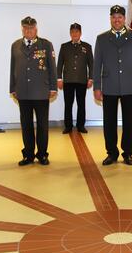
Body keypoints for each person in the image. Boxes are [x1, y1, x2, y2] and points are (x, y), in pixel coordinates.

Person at [93, 5, 132, 166]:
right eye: (114, 17)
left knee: (129, 121)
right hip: (109, 86)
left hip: (130, 85)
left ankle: (128, 153)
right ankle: (111, 152)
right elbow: (97, 64)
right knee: (109, 122)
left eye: (120, 17)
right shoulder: (101, 38)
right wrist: (97, 86)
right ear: (110, 18)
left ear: (124, 19)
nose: (117, 20)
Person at [10, 16, 57, 166]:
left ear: (36, 29)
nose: (28, 31)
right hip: (23, 91)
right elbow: (13, 68)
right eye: (25, 28)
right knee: (26, 124)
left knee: (42, 125)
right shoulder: (15, 45)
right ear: (22, 29)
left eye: (31, 28)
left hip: (41, 91)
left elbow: (52, 68)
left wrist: (53, 87)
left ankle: (42, 154)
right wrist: (13, 87)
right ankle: (28, 155)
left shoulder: (46, 45)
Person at [57, 23, 93, 134]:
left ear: (80, 33)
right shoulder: (64, 46)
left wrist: (91, 78)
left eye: (77, 31)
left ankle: (80, 125)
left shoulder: (87, 46)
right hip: (68, 80)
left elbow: (91, 64)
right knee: (68, 104)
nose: (75, 34)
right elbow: (59, 64)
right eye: (72, 32)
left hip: (82, 80)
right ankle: (68, 126)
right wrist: (59, 79)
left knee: (81, 103)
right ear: (70, 33)